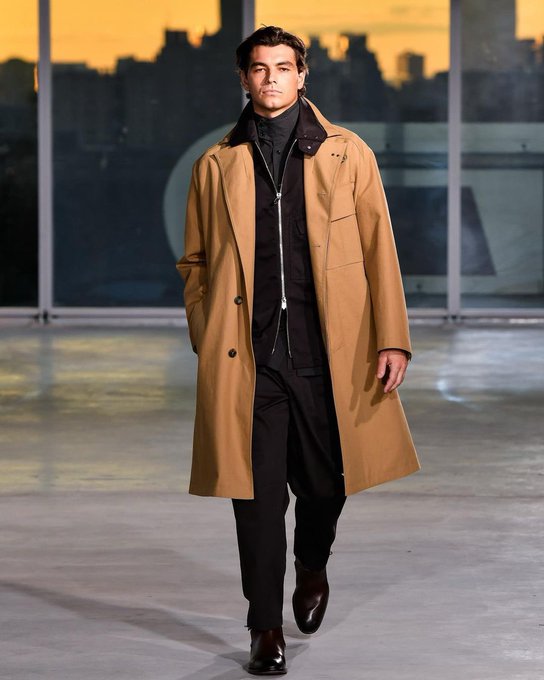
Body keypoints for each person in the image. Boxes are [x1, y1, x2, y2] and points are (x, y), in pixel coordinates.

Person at [176, 25, 420, 677]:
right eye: (259, 68)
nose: (271, 79)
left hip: (326, 352)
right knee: (256, 500)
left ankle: (312, 562)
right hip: (249, 359)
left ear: (302, 74)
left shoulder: (348, 153)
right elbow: (195, 261)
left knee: (325, 484)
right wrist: (206, 329)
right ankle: (264, 627)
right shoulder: (216, 164)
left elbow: (380, 249)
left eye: (283, 67)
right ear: (244, 78)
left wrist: (392, 337)